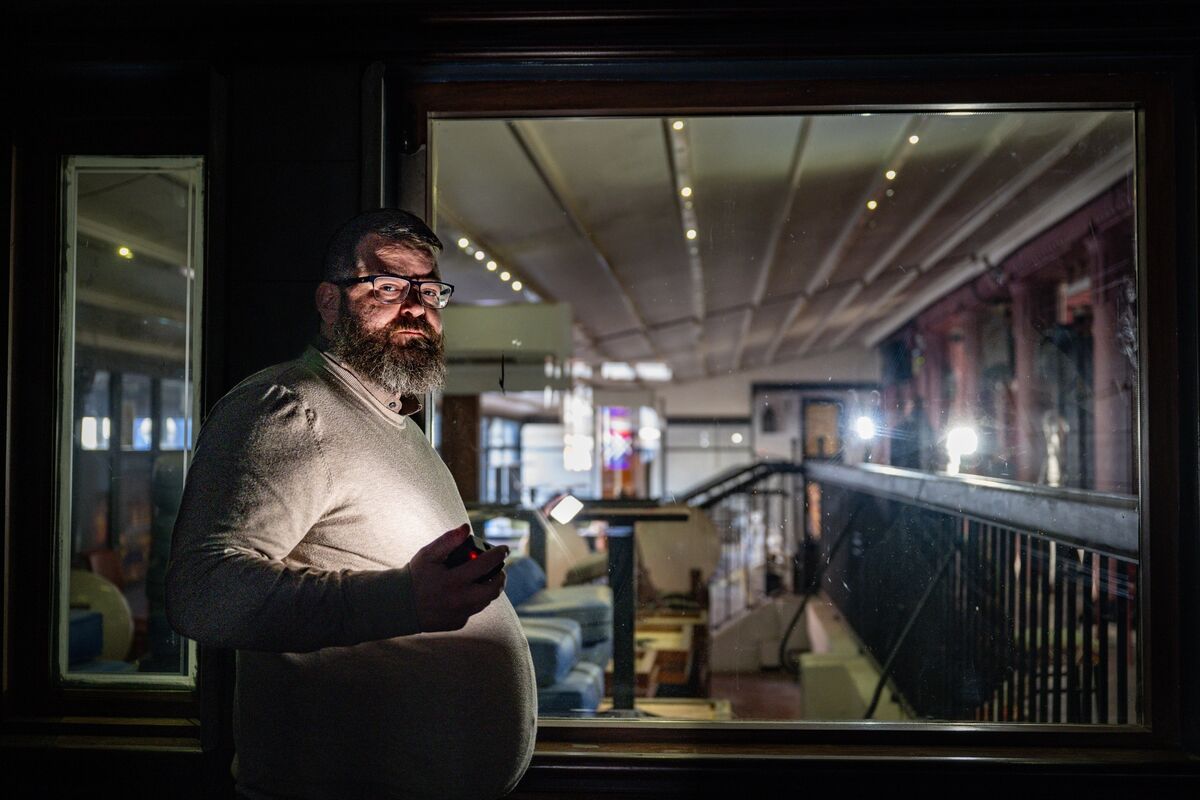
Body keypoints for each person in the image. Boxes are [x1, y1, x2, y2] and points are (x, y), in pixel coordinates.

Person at [165, 209, 536, 800]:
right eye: (387, 286)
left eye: (429, 290)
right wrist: (404, 600)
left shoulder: (397, 425)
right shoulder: (288, 408)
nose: (416, 307)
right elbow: (203, 594)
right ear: (329, 301)